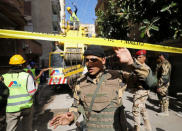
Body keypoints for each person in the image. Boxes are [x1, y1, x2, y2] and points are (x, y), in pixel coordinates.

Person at [49, 46, 149, 131]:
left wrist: (132, 63)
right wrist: (71, 116)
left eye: (94, 60)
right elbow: (77, 106)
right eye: (87, 60)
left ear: (103, 60)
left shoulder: (117, 77)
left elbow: (150, 82)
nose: (89, 64)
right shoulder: (80, 82)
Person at [2, 54, 37, 131]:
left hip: (11, 109)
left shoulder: (3, 77)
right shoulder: (27, 76)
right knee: (27, 128)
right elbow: (32, 92)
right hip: (26, 107)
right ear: (22, 65)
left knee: (10, 129)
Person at [132, 50, 152, 131]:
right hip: (143, 91)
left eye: (140, 57)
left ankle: (137, 129)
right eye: (137, 57)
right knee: (143, 108)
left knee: (135, 110)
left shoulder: (143, 67)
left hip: (141, 91)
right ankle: (148, 128)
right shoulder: (142, 66)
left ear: (144, 58)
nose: (138, 59)